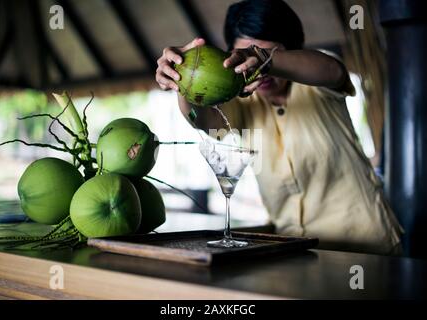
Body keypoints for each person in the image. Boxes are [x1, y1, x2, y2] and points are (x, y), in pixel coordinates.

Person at [155, 0, 403, 255]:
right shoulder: (242, 103)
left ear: (290, 51)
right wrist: (180, 79)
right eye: (245, 56)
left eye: (264, 54)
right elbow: (203, 120)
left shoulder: (316, 82)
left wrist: (264, 59)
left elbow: (332, 70)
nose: (258, 73)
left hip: (368, 248)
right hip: (299, 252)